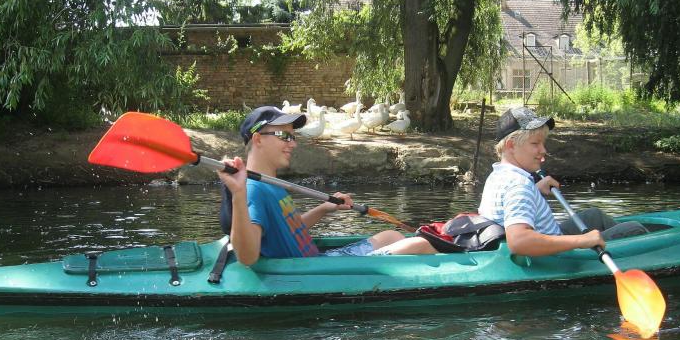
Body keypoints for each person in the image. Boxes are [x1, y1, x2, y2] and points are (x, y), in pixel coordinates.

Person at [217, 106, 436, 265]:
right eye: (284, 136)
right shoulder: (254, 190)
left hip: (319, 259)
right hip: (312, 271)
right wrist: (238, 193)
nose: (293, 144)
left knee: (391, 236)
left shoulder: (271, 184)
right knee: (419, 245)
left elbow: (291, 228)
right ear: (258, 139)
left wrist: (324, 209)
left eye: (293, 136)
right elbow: (247, 257)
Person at [478, 106, 648, 257]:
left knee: (594, 216)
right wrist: (582, 240)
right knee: (635, 228)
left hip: (551, 236)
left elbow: (512, 202)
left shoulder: (497, 176)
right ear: (510, 145)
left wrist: (535, 189)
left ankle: (619, 249)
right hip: (558, 257)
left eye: (542, 143)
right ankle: (634, 255)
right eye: (535, 143)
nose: (543, 150)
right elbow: (519, 241)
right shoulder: (519, 185)